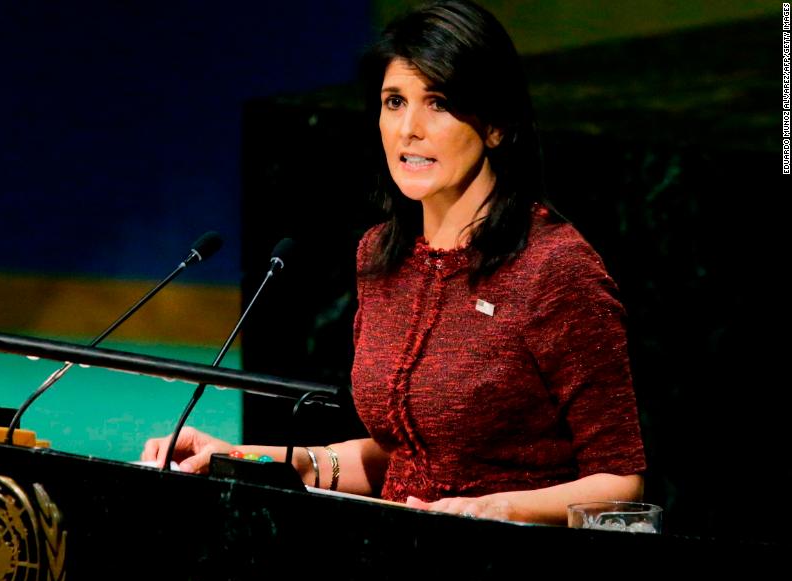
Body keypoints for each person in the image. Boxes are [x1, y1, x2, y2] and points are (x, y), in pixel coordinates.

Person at [142, 0, 646, 525]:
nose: (410, 128)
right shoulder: (382, 256)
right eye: (394, 101)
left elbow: (620, 481)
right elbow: (406, 455)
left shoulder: (555, 270)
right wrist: (257, 459)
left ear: (496, 125)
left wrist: (493, 510)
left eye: (440, 103)